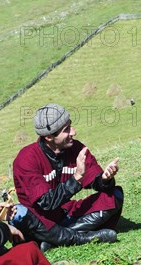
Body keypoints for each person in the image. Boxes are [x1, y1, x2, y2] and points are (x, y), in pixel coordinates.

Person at [13, 104, 123, 251]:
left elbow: (96, 181)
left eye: (70, 125)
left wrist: (105, 178)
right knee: (22, 216)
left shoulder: (76, 148)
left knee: (114, 195)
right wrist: (76, 178)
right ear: (49, 137)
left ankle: (55, 240)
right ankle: (82, 238)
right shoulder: (26, 158)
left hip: (65, 213)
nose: (74, 132)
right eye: (66, 130)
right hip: (40, 221)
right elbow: (47, 203)